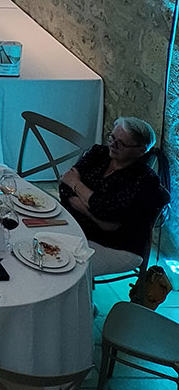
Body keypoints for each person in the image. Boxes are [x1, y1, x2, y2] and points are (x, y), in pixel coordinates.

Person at [60, 116, 169, 276]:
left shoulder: (145, 180)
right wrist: (94, 215)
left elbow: (105, 210)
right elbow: (64, 185)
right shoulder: (99, 153)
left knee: (65, 266)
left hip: (117, 244)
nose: (112, 144)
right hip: (79, 225)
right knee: (37, 243)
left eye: (121, 143)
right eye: (112, 137)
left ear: (141, 150)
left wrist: (76, 184)